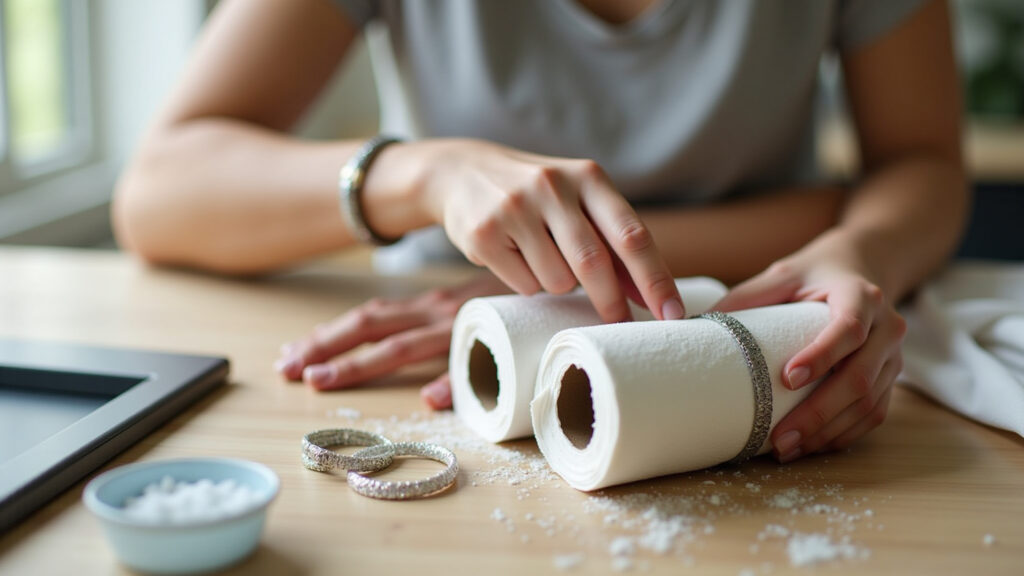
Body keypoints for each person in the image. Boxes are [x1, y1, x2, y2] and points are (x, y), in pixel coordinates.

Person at [113, 0, 967, 464]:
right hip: (439, 337)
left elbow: (921, 164)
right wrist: (425, 174)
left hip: (745, 311)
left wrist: (855, 249)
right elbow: (159, 192)